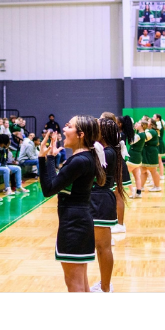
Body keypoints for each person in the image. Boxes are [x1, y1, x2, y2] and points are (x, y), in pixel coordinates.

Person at [36, 116, 106, 292]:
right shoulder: (85, 157)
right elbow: (56, 183)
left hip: (73, 225)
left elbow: (48, 189)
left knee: (74, 284)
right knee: (81, 282)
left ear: (80, 134)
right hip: (81, 221)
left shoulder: (78, 161)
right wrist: (51, 158)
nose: (64, 130)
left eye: (68, 126)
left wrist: (42, 159)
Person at [87, 118, 129, 292]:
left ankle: (105, 287)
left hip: (100, 202)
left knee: (103, 247)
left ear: (102, 133)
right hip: (97, 200)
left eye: (96, 128)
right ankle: (104, 284)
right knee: (100, 246)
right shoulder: (106, 150)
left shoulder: (108, 152)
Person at [140, 118, 163, 192]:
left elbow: (144, 138)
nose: (146, 122)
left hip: (151, 152)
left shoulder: (152, 131)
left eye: (148, 121)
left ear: (151, 124)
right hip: (146, 152)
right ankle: (141, 187)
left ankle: (157, 186)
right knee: (143, 170)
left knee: (153, 170)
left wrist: (140, 130)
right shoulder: (148, 131)